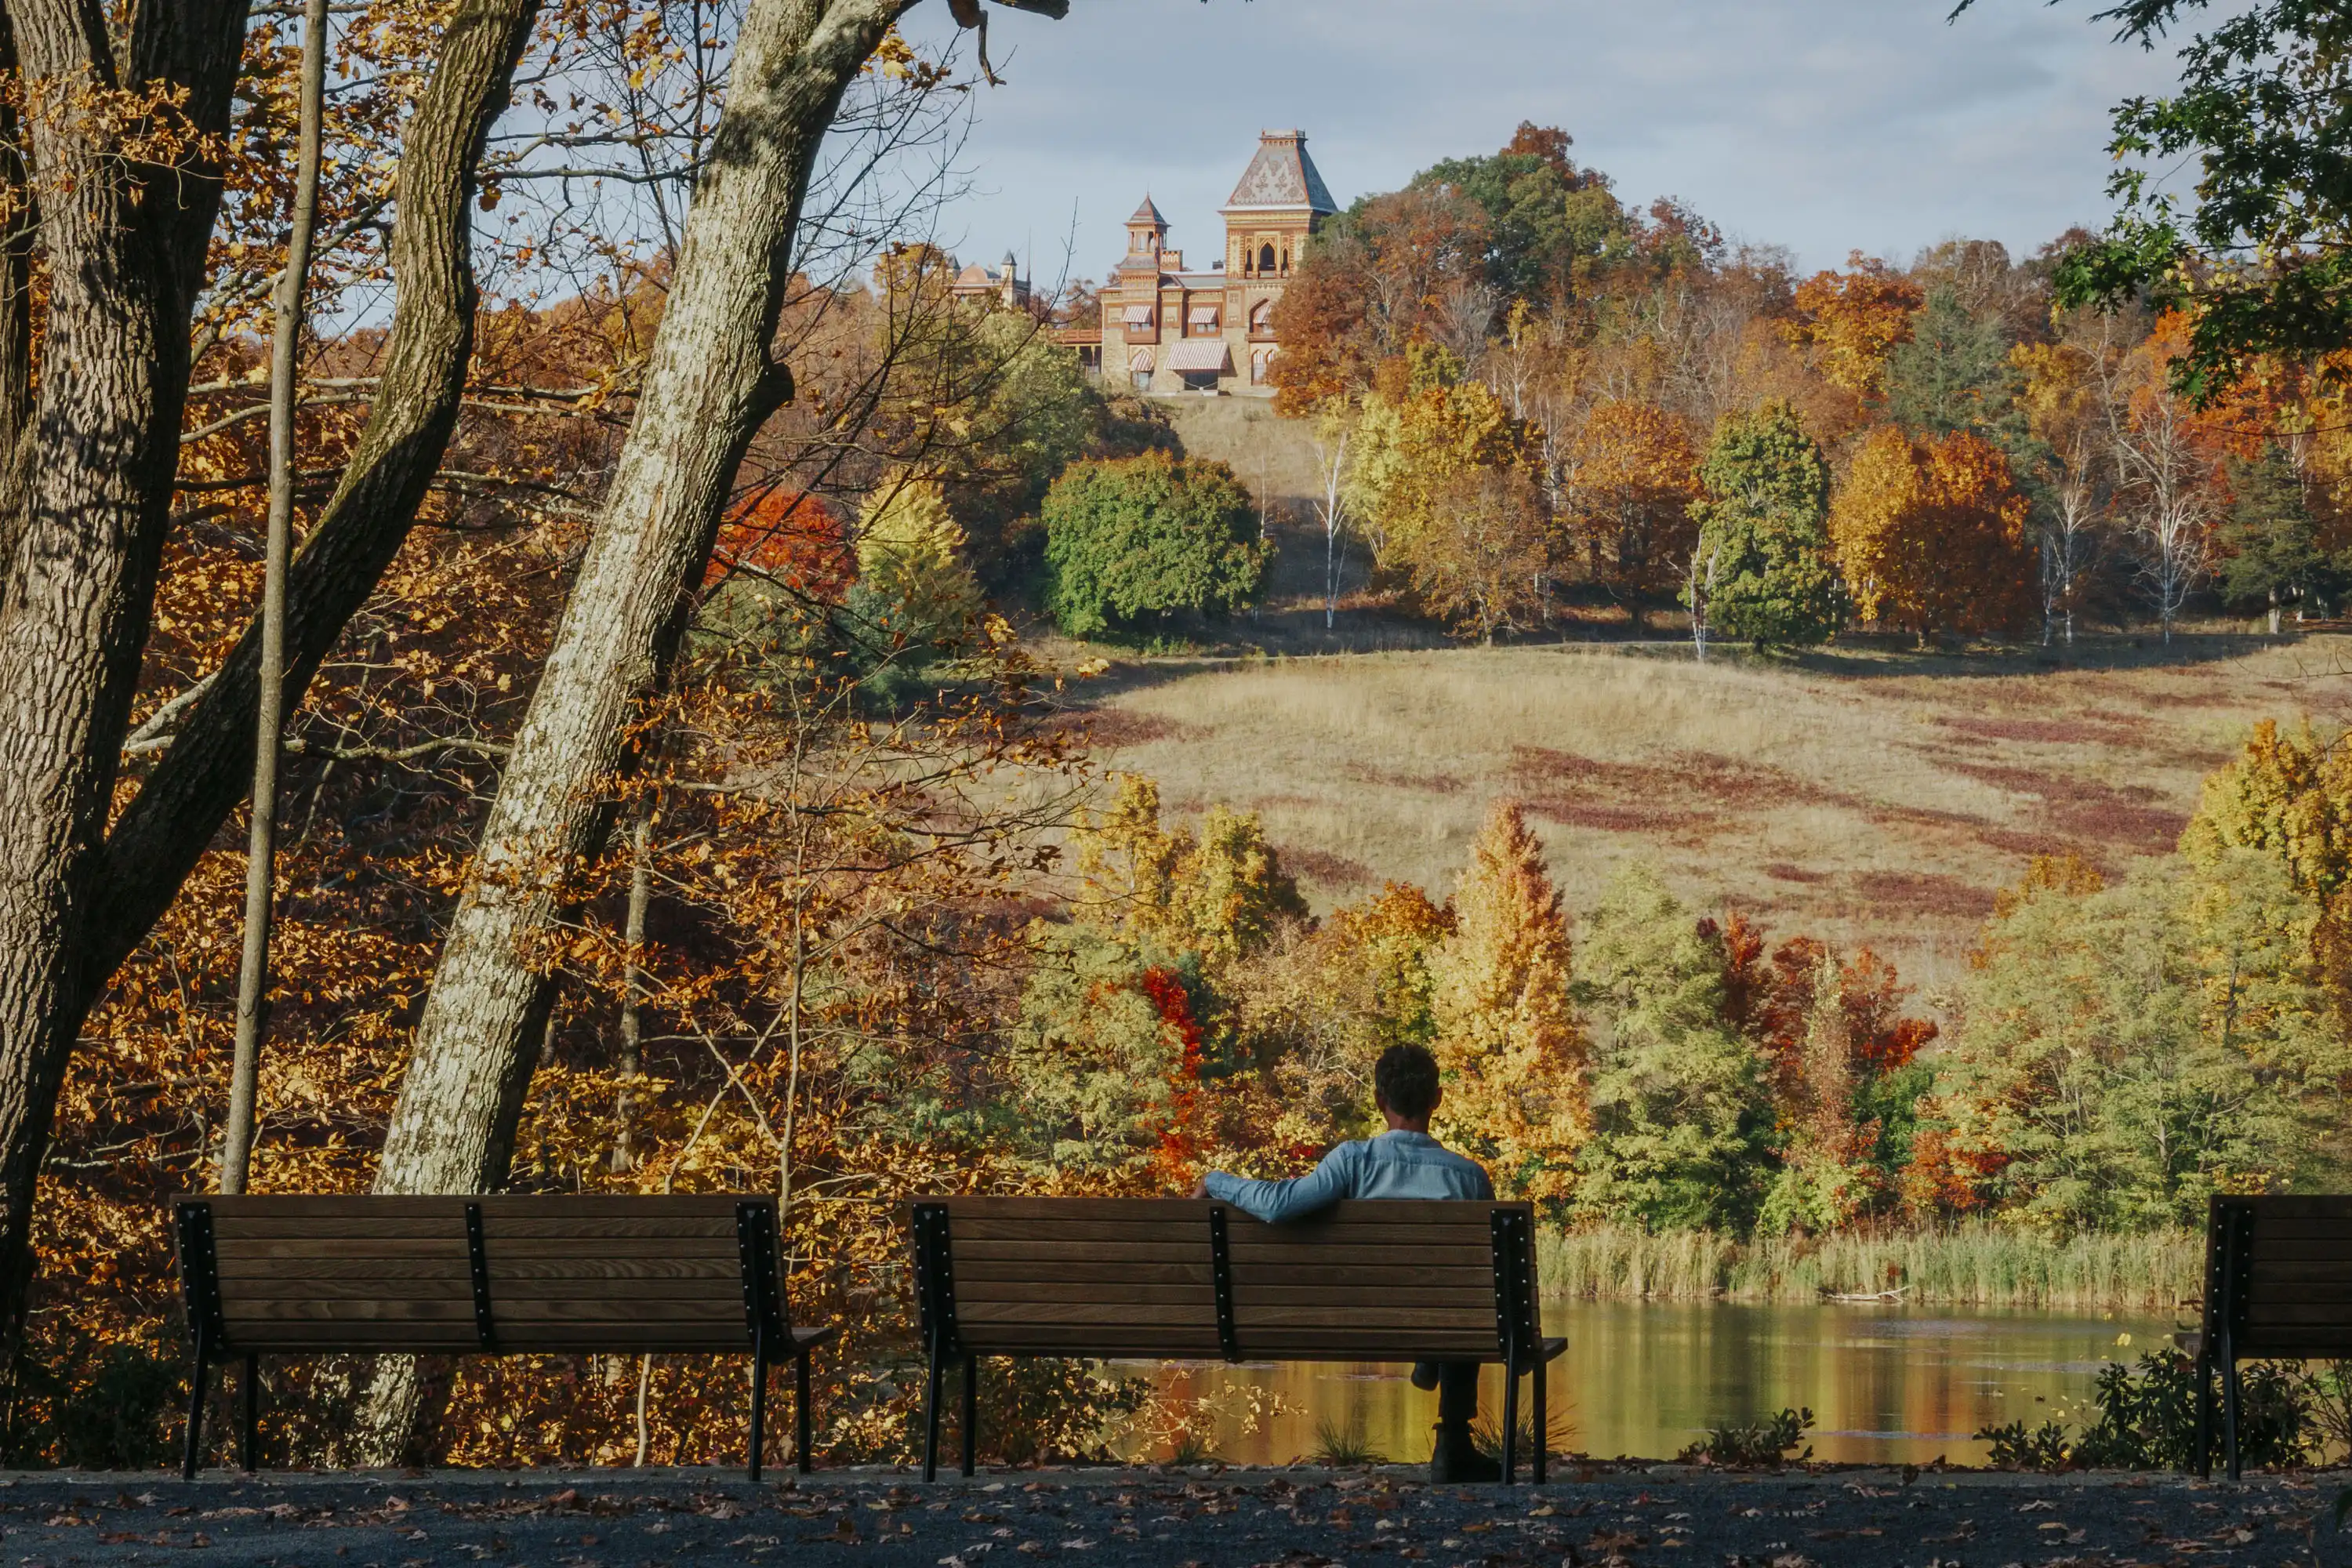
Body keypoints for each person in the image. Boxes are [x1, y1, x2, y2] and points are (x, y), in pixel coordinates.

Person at [1187, 1043, 1502, 1483]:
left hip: (1360, 1318)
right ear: (1437, 1100)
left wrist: (1216, 1180)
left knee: (1447, 1306)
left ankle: (1433, 1362)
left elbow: (1280, 1206)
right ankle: (1453, 1442)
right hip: (1446, 1319)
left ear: (1378, 1100)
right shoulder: (1468, 1177)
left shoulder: (1354, 1161)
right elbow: (1487, 1272)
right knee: (1462, 1305)